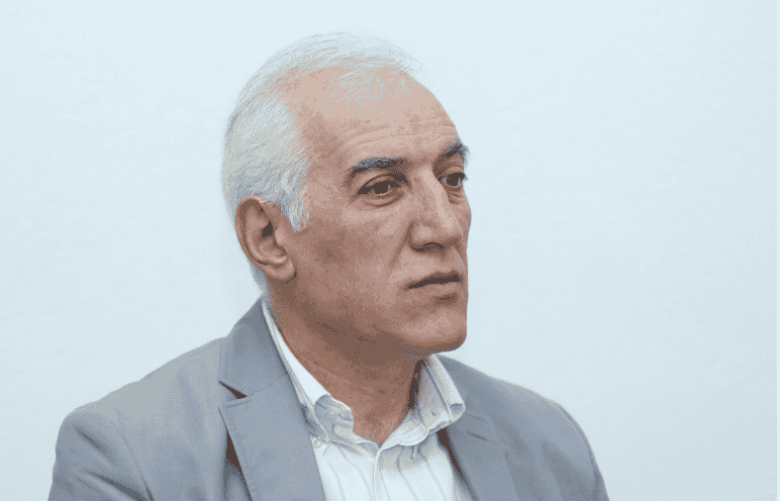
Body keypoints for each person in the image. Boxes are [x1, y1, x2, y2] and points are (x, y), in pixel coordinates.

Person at [49, 33, 609, 501]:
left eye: (452, 178)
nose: (443, 227)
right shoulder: (131, 458)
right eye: (382, 187)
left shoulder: (550, 446)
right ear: (269, 237)